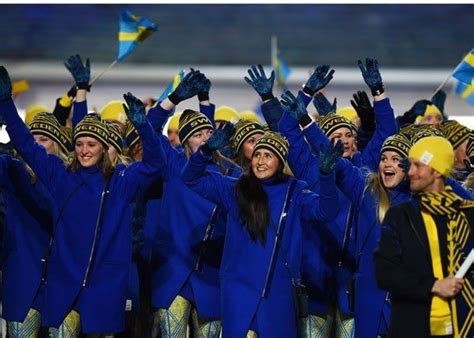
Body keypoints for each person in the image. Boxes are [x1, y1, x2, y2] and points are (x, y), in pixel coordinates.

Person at [0, 64, 165, 336]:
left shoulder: (122, 182)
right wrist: (6, 105)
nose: (85, 150)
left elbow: (155, 163)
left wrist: (144, 126)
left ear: (103, 148)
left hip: (105, 287)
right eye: (79, 144)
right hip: (64, 284)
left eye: (92, 145)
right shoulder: (61, 177)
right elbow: (27, 146)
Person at [181, 122, 342, 337]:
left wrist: (327, 177)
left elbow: (327, 211)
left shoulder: (295, 192)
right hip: (239, 295)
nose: (261, 161)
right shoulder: (235, 189)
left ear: (280, 161)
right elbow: (190, 178)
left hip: (277, 299)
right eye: (258, 155)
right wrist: (206, 151)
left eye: (268, 155)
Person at [146, 69, 240, 338]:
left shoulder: (230, 173)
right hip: (173, 271)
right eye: (197, 134)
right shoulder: (173, 163)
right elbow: (150, 128)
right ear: (185, 140)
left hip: (211, 274)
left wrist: (205, 102)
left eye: (209, 134)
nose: (205, 138)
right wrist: (174, 98)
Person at [374, 136, 473, 338]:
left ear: (436, 171)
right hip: (413, 327)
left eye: (417, 166)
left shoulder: (467, 214)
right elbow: (385, 272)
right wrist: (434, 285)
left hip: (460, 327)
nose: (410, 172)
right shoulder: (399, 216)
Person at [0, 112, 70, 337]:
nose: (36, 147)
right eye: (32, 140)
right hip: (23, 281)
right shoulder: (12, 170)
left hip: (62, 284)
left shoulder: (70, 178)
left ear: (57, 145)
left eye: (43, 140)